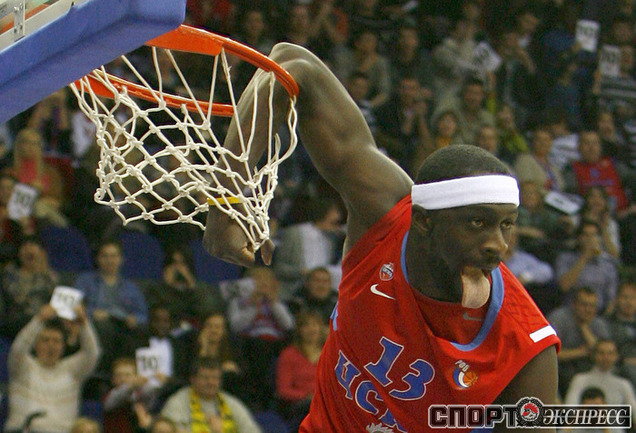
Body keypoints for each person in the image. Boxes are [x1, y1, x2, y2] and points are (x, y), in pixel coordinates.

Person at [202, 42, 561, 432]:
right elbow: (292, 62)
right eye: (478, 223)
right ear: (423, 222)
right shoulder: (384, 213)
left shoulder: (526, 346)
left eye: (506, 225)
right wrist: (226, 196)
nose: (498, 246)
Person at [4, 304, 100, 433]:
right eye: (45, 340)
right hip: (24, 429)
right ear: (35, 344)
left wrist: (83, 324)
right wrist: (39, 320)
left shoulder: (72, 370)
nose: (51, 345)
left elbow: (92, 354)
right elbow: (18, 349)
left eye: (56, 341)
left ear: (63, 346)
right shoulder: (23, 366)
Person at [74, 239, 149, 374]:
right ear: (98, 259)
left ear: (121, 259)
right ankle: (102, 374)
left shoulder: (131, 287)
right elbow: (74, 305)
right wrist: (91, 313)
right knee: (105, 328)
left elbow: (143, 315)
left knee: (136, 332)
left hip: (122, 324)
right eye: (105, 256)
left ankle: (126, 374)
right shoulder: (85, 280)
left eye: (114, 256)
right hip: (96, 324)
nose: (110, 260)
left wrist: (135, 319)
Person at [160, 357, 262, 433]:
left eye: (215, 378)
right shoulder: (178, 402)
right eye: (205, 378)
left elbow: (252, 430)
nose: (211, 382)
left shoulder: (231, 402)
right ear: (193, 379)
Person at [548, 287, 612, 396]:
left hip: (588, 366)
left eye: (592, 306)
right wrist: (581, 352)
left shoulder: (599, 323)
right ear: (574, 305)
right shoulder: (559, 318)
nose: (588, 310)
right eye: (584, 305)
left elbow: (604, 354)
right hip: (561, 366)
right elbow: (549, 354)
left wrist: (584, 328)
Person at [275, 310, 327, 431]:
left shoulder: (329, 353)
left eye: (315, 324)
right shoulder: (288, 355)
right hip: (300, 407)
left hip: (327, 403)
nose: (311, 329)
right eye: (306, 325)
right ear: (299, 330)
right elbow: (283, 390)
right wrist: (308, 397)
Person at [564, 339, 636, 425]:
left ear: (616, 356)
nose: (606, 357)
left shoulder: (624, 384)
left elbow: (634, 413)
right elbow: (570, 410)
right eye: (601, 353)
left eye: (610, 353)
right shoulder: (580, 380)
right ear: (594, 355)